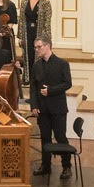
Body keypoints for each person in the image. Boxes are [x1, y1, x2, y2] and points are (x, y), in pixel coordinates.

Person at [30, 38, 73, 176]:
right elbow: (33, 88)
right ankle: (45, 165)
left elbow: (67, 83)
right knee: (45, 138)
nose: (36, 50)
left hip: (58, 108)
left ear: (47, 46)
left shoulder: (62, 64)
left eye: (39, 47)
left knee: (61, 137)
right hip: (42, 109)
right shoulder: (36, 65)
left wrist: (51, 90)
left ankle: (66, 166)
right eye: (35, 47)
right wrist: (34, 105)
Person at [20, 0, 52, 105]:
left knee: (39, 62)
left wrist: (45, 40)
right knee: (29, 62)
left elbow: (47, 22)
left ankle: (39, 94)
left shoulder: (45, 2)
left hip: (40, 36)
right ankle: (32, 93)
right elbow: (21, 19)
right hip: (28, 35)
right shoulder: (24, 1)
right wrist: (21, 37)